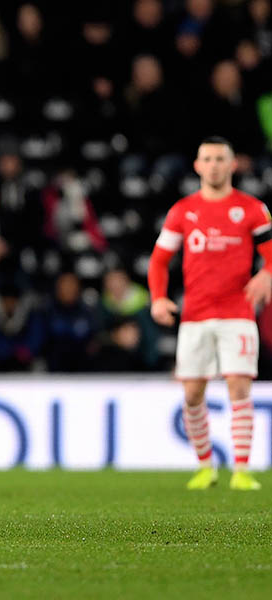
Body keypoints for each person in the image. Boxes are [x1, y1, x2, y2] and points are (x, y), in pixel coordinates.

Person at [148, 136, 271, 491]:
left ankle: (243, 470)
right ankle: (205, 466)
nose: (214, 165)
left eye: (221, 158)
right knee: (192, 394)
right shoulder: (183, 211)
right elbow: (159, 261)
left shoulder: (252, 209)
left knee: (239, 386)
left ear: (233, 165)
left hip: (238, 312)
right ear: (198, 166)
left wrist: (266, 273)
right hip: (196, 315)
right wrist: (158, 298)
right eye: (208, 159)